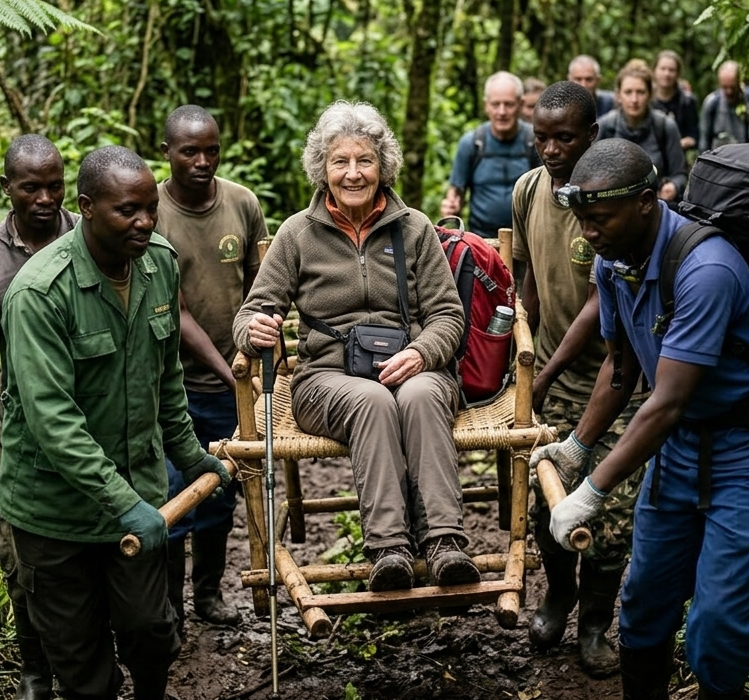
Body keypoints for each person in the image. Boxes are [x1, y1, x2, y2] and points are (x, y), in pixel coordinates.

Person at [548, 138, 749, 699]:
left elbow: (664, 401)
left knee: (716, 625)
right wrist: (578, 444)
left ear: (646, 202)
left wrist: (593, 489)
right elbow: (621, 369)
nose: (587, 233)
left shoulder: (706, 269)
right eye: (582, 219)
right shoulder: (612, 261)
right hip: (683, 446)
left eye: (600, 219)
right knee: (644, 602)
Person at [0, 145, 232, 700]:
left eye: (151, 208)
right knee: (83, 666)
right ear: (87, 207)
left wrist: (188, 454)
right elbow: (53, 421)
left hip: (138, 496)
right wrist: (124, 503)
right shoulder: (39, 293)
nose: (146, 221)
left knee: (152, 632)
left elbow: (165, 378)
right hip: (54, 516)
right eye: (129, 210)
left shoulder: (159, 263)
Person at [235, 101, 477, 593]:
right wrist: (255, 329)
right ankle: (389, 548)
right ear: (322, 170)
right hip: (325, 379)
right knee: (370, 401)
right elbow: (250, 313)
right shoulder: (297, 234)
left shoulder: (413, 229)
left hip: (412, 367)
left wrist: (422, 354)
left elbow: (449, 316)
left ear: (382, 166)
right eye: (340, 162)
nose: (352, 173)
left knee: (420, 394)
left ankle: (445, 541)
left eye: (364, 160)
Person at [512, 81, 645, 678]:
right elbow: (530, 277)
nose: (549, 149)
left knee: (610, 519)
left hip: (616, 380)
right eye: (540, 137)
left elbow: (598, 308)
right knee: (549, 509)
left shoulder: (603, 199)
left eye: (563, 138)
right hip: (548, 379)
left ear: (591, 136)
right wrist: (523, 358)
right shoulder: (527, 191)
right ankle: (558, 596)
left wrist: (546, 373)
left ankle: (595, 622)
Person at [0, 134, 77, 700]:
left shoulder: (88, 236)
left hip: (91, 421)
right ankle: (35, 669)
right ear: (7, 188)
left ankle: (89, 659)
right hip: (23, 431)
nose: (46, 198)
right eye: (32, 188)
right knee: (20, 553)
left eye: (55, 186)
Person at [157, 105, 268, 631]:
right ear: (168, 153)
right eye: (189, 151)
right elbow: (174, 313)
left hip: (232, 383)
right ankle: (170, 608)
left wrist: (251, 364)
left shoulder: (242, 203)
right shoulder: (149, 211)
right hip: (171, 386)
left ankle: (208, 594)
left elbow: (260, 291)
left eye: (211, 151)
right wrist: (234, 374)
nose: (202, 161)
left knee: (220, 495)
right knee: (174, 496)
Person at [440, 71, 537, 238]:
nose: (502, 111)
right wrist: (451, 207)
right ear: (486, 105)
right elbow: (456, 192)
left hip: (527, 240)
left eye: (509, 104)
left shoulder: (535, 141)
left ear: (521, 104)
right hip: (481, 240)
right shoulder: (472, 143)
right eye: (495, 104)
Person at [596, 60, 688, 202]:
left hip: (655, 205)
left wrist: (673, 186)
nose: (634, 99)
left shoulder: (664, 126)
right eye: (628, 92)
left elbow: (680, 174)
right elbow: (591, 174)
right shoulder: (605, 126)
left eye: (640, 92)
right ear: (618, 95)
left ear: (650, 94)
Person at [699, 61, 749, 153]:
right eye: (725, 87)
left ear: (740, 80)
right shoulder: (712, 103)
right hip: (722, 161)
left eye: (732, 87)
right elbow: (704, 141)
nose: (729, 92)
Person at [651, 50, 699, 152]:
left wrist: (682, 143)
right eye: (662, 69)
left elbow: (694, 135)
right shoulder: (646, 99)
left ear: (678, 73)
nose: (667, 74)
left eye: (671, 70)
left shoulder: (687, 101)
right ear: (654, 70)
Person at [567, 55, 616, 123]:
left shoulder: (612, 103)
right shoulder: (560, 107)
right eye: (578, 79)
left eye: (589, 79)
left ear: (598, 80)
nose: (583, 85)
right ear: (570, 80)